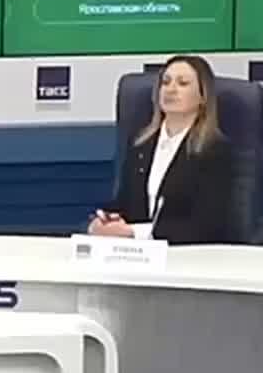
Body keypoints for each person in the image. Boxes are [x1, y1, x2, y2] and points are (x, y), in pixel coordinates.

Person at [88, 54, 238, 245]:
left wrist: (135, 232)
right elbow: (124, 203)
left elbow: (207, 224)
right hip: (135, 254)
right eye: (165, 82)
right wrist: (104, 220)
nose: (171, 89)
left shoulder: (215, 150)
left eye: (183, 83)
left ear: (203, 96)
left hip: (187, 253)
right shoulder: (141, 144)